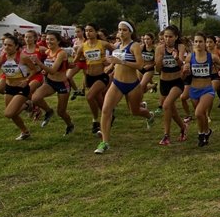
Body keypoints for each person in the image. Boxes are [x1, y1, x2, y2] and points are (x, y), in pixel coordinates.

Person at [94, 21, 155, 154]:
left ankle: (149, 115)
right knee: (105, 110)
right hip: (117, 83)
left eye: (124, 30)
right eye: (119, 30)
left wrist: (121, 61)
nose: (121, 32)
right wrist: (109, 67)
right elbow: (115, 63)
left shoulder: (135, 46)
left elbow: (140, 65)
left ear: (130, 32)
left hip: (132, 85)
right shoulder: (116, 46)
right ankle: (104, 143)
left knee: (135, 111)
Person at [0, 33, 40, 140]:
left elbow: (34, 70)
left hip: (21, 88)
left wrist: (27, 80)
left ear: (16, 46)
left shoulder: (23, 57)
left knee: (9, 113)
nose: (6, 47)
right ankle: (25, 132)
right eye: (5, 45)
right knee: (13, 114)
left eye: (9, 45)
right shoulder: (1, 57)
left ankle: (28, 104)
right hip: (9, 88)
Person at [187, 31, 220, 147]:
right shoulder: (189, 57)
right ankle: (207, 131)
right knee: (201, 115)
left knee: (198, 113)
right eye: (195, 41)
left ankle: (201, 134)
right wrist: (184, 71)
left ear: (205, 43)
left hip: (207, 89)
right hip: (194, 89)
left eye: (200, 41)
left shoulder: (212, 56)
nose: (198, 44)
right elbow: (184, 76)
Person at [72, 24, 113, 136]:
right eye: (86, 31)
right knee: (97, 99)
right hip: (89, 77)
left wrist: (110, 61)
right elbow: (74, 61)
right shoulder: (82, 46)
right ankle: (105, 116)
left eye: (90, 30)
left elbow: (118, 52)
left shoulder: (103, 44)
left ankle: (100, 119)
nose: (88, 33)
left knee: (89, 96)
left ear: (96, 32)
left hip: (101, 76)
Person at [31, 31, 75, 135]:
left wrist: (39, 63)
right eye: (47, 39)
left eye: (51, 39)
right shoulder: (47, 52)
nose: (48, 41)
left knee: (61, 112)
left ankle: (70, 125)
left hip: (62, 84)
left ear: (58, 41)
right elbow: (50, 68)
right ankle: (49, 111)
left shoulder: (61, 53)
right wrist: (44, 70)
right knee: (35, 98)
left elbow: (53, 70)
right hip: (50, 82)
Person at [153, 26, 188, 145]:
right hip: (164, 81)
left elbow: (181, 66)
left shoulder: (180, 47)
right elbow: (157, 69)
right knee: (172, 111)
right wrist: (159, 60)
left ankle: (166, 135)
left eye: (170, 37)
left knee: (166, 105)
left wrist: (176, 57)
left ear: (176, 37)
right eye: (165, 36)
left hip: (177, 81)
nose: (167, 39)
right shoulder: (159, 49)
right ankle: (183, 128)